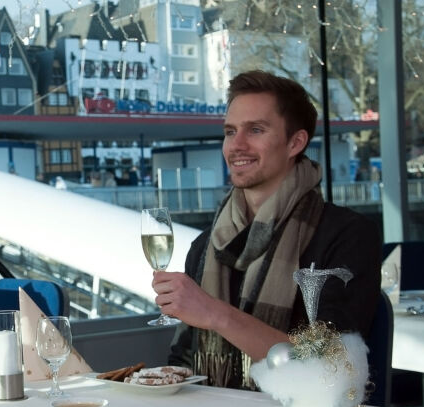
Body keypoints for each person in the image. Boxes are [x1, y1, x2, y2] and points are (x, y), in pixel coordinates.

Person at [152, 70, 380, 389]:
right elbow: (183, 362)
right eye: (230, 132)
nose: (237, 145)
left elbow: (332, 369)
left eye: (255, 130)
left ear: (295, 142)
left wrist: (216, 314)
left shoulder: (347, 235)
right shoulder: (206, 246)